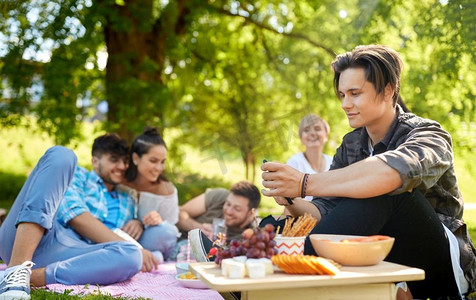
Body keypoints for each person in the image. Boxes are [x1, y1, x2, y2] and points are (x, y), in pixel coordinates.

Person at [261, 45, 475, 299]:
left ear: (388, 90)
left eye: (354, 93)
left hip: (438, 264)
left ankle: (286, 272)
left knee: (387, 188)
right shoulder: (351, 144)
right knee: (277, 225)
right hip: (377, 249)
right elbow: (323, 212)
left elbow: (390, 174)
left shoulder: (429, 135)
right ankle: (255, 261)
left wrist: (305, 182)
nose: (345, 104)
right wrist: (290, 196)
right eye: (342, 95)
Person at [0, 134, 150, 300]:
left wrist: (139, 224)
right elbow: (74, 215)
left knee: (132, 255)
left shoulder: (126, 198)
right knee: (63, 154)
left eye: (125, 161)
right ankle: (17, 268)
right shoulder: (78, 175)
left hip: (74, 256)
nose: (122, 166)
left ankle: (29, 277)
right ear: (95, 161)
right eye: (114, 159)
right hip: (41, 235)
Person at [120, 127, 178, 261]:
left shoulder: (166, 190)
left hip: (147, 241)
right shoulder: (119, 180)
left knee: (167, 231)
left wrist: (157, 221)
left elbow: (171, 229)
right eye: (153, 161)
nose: (159, 168)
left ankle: (142, 257)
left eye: (162, 162)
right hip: (117, 236)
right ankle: (149, 258)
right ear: (135, 158)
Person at [177, 181, 261, 243]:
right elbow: (178, 213)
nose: (228, 211)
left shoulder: (250, 234)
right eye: (228, 204)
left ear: (250, 213)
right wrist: (199, 229)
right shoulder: (220, 196)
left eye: (237, 209)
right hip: (178, 242)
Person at [283, 114, 332, 215]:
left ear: (326, 135)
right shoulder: (294, 162)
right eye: (306, 130)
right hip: (301, 218)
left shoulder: (333, 161)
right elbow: (289, 204)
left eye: (317, 129)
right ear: (301, 138)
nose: (312, 133)